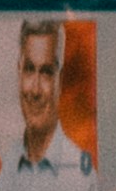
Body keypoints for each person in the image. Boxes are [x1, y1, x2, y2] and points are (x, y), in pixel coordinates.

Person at [11, 14, 84, 177]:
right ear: (19, 72)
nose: (35, 90)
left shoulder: (80, 175)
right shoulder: (5, 170)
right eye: (29, 69)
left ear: (61, 79)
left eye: (46, 72)